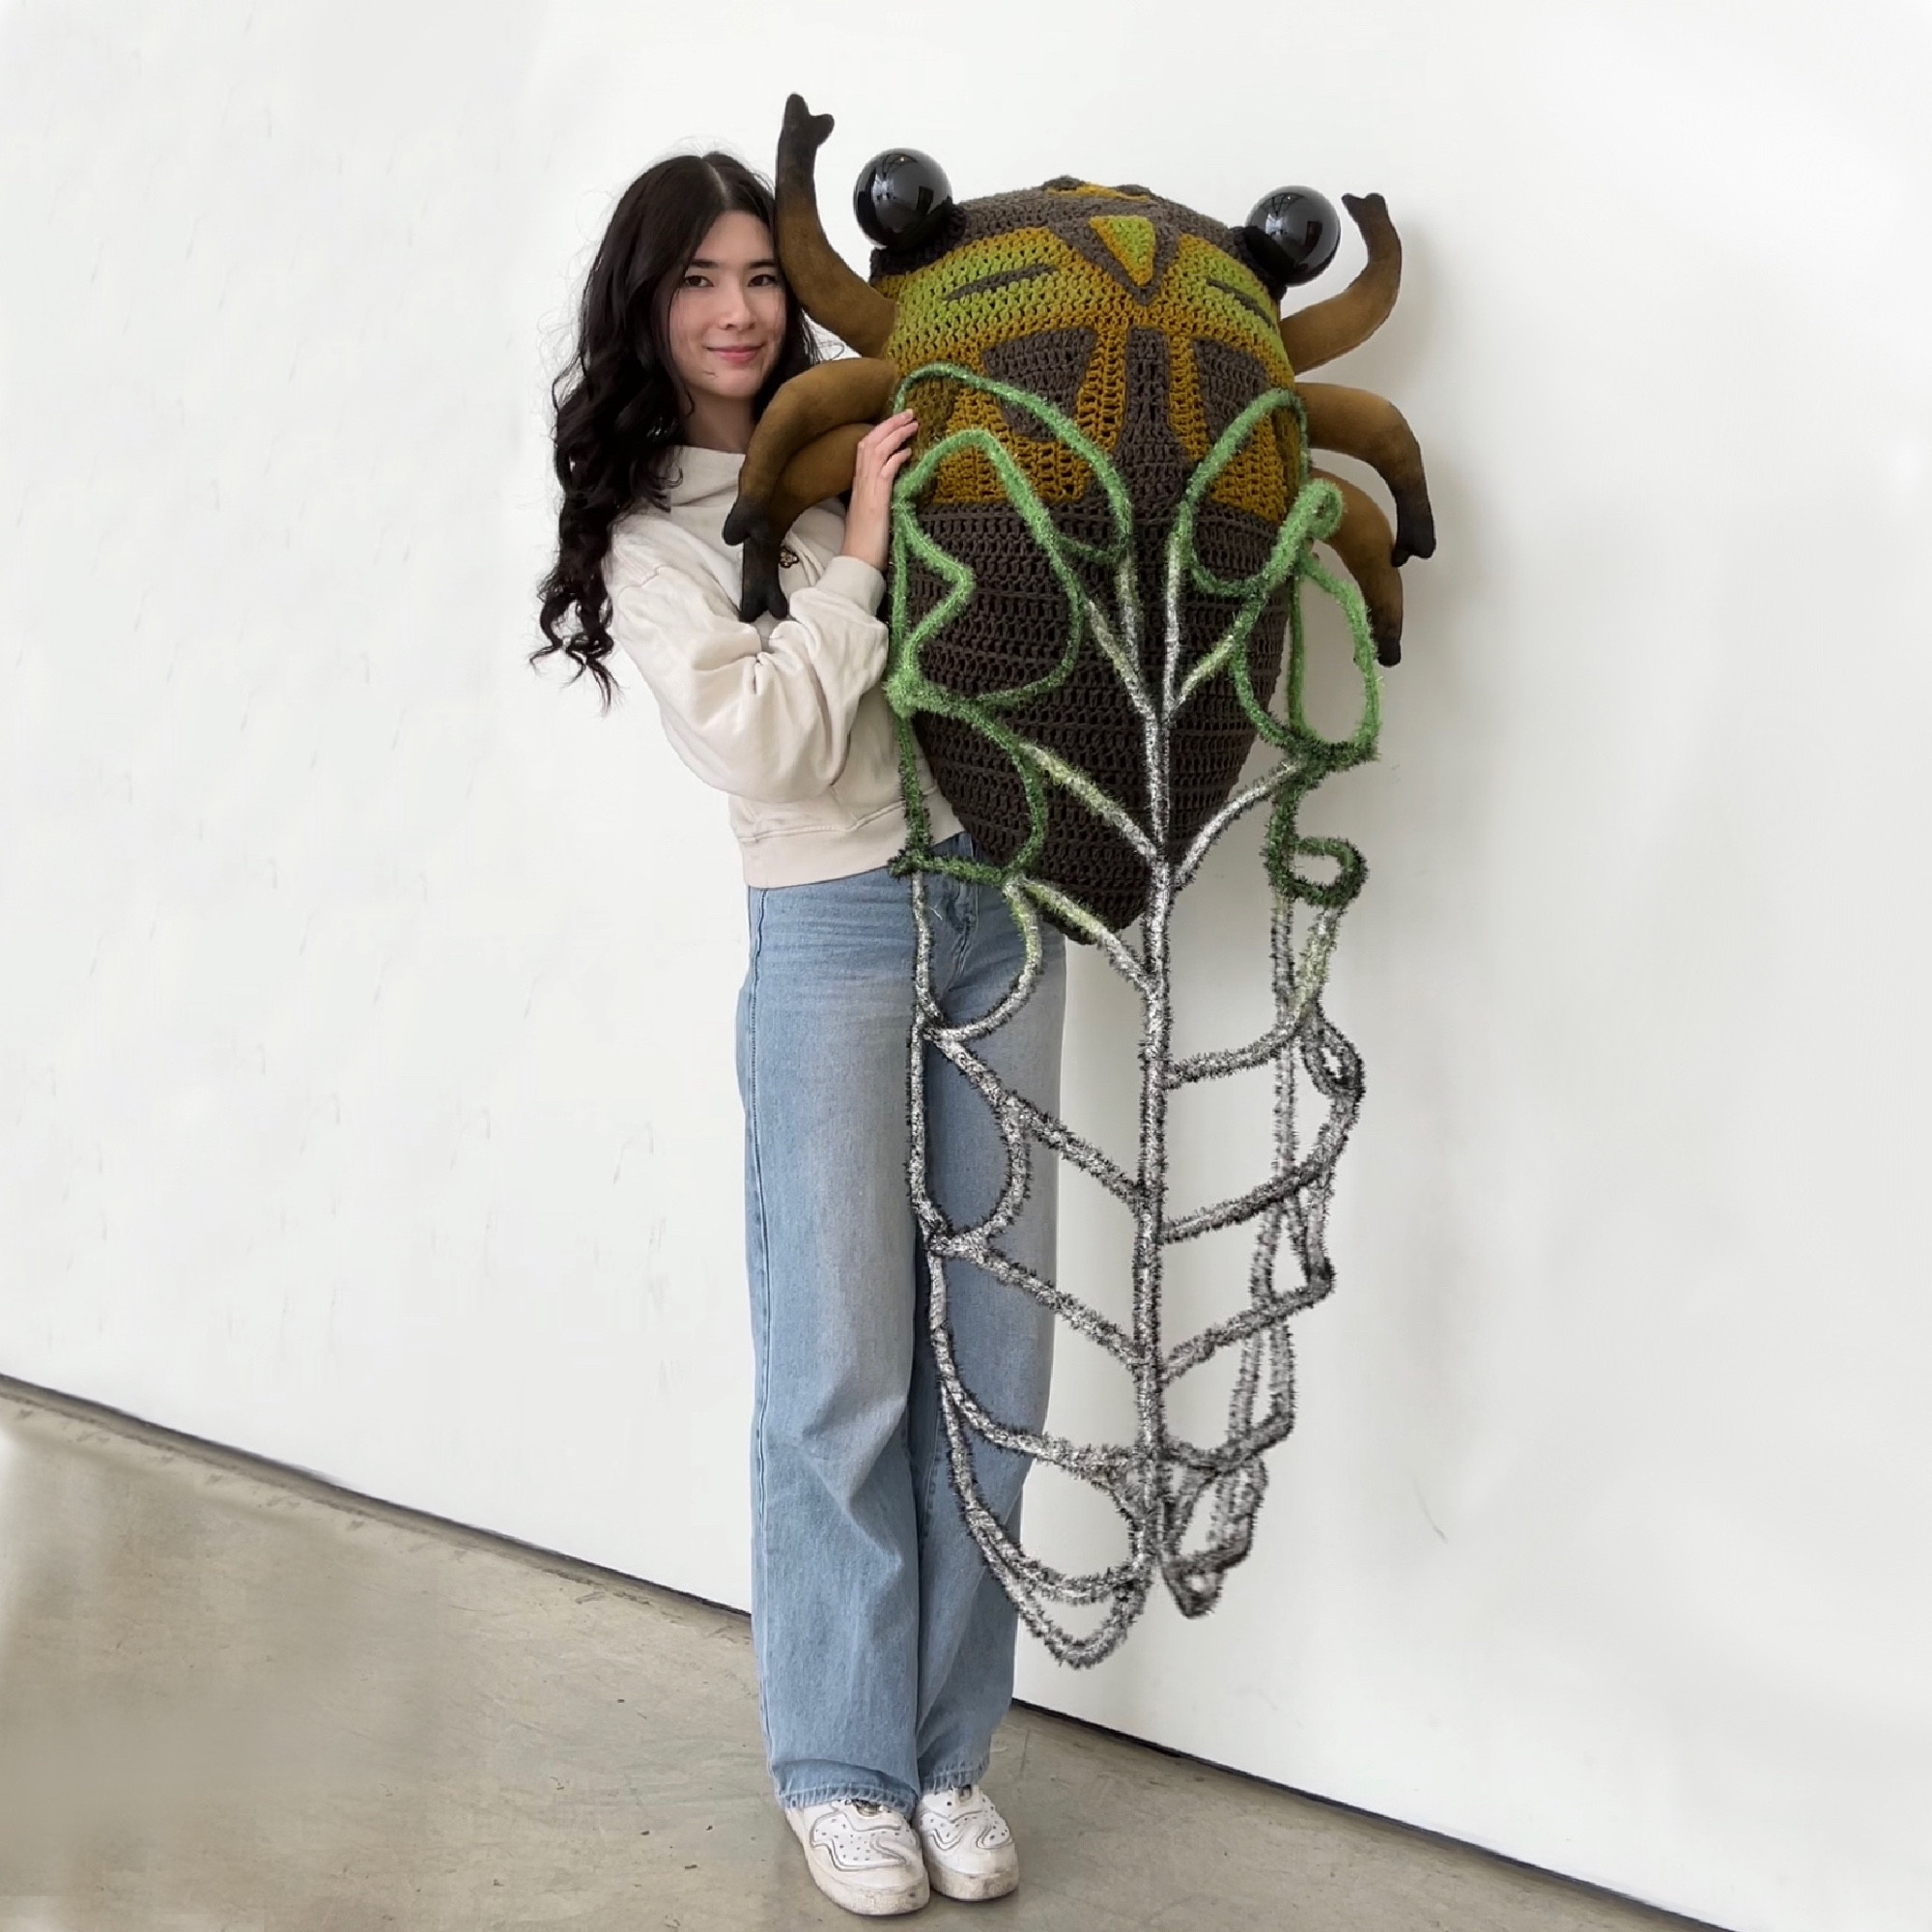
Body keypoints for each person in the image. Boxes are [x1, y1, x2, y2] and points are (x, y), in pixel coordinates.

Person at [532, 150, 1065, 1918]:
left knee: (997, 1359)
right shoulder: (657, 526)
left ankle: (945, 1756)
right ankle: (838, 1771)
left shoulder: (891, 431)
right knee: (842, 1369)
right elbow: (764, 746)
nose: (741, 309)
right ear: (647, 309)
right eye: (698, 281)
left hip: (996, 904)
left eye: (760, 273)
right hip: (828, 929)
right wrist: (859, 565)